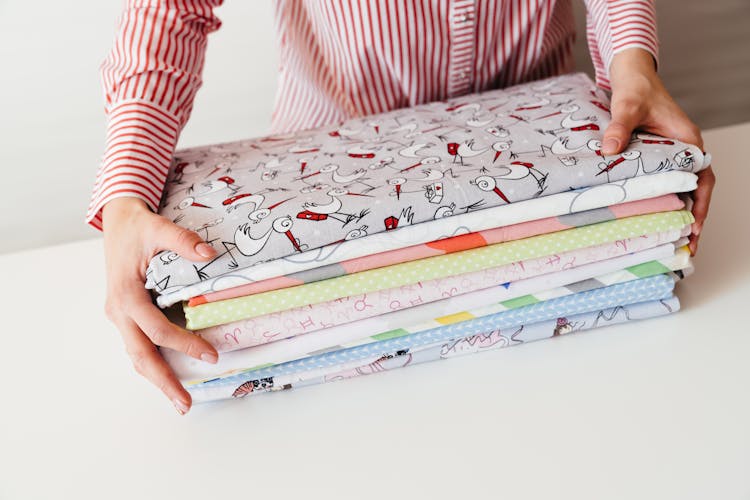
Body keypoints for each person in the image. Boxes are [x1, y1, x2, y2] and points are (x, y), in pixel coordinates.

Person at [89, 0, 715, 414]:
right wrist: (126, 194)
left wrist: (633, 60)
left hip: (551, 150)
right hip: (319, 175)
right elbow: (171, 11)